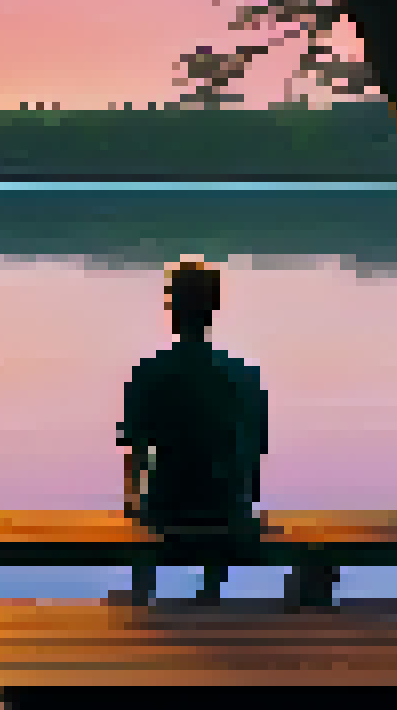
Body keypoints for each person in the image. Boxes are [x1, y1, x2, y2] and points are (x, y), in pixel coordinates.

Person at [110, 260, 270, 606]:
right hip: (228, 511)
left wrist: (131, 506)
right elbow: (255, 453)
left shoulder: (151, 372)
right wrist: (246, 504)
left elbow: (135, 453)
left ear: (172, 310)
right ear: (212, 311)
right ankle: (212, 590)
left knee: (151, 505)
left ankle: (142, 593)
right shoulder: (244, 376)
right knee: (221, 490)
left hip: (168, 510)